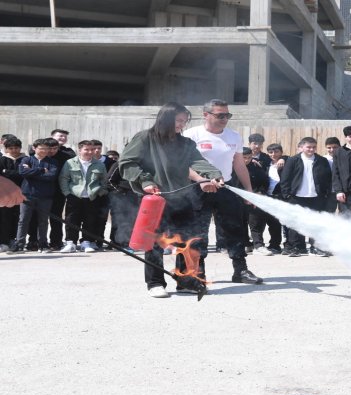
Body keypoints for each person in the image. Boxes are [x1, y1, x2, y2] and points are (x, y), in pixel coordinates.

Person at [119, 102, 225, 298]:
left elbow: (198, 161)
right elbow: (127, 162)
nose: (182, 125)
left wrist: (214, 175)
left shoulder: (186, 143)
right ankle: (155, 283)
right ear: (165, 119)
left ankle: (187, 282)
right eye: (178, 120)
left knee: (189, 241)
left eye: (184, 121)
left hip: (183, 198)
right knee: (155, 243)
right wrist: (145, 181)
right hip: (155, 199)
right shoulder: (144, 138)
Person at [183, 98, 263, 285]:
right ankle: (198, 273)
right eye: (220, 115)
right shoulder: (192, 135)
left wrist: (248, 191)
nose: (225, 119)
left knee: (235, 229)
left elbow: (239, 165)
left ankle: (240, 271)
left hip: (225, 187)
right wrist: (201, 180)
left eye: (227, 115)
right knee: (198, 233)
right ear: (206, 115)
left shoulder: (233, 136)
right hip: (198, 188)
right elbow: (182, 165)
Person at [279, 137, 332, 257]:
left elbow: (328, 178)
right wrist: (287, 195)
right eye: (308, 147)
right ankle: (296, 248)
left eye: (314, 147)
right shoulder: (293, 160)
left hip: (316, 197)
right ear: (302, 147)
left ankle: (316, 247)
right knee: (296, 223)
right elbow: (285, 178)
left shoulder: (322, 160)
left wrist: (325, 194)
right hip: (296, 197)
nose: (311, 149)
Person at [8, 138, 59, 253]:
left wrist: (32, 172)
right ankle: (19, 244)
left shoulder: (53, 162)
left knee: (43, 221)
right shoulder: (27, 159)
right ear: (34, 148)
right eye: (41, 148)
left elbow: (51, 176)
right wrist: (42, 170)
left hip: (45, 195)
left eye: (46, 148)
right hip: (27, 195)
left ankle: (43, 244)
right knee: (23, 220)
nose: (44, 151)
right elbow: (23, 172)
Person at [58, 140, 109, 253]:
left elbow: (104, 181)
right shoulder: (70, 163)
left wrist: (100, 193)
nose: (90, 152)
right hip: (74, 196)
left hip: (92, 197)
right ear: (79, 150)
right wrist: (67, 193)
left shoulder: (99, 164)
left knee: (90, 220)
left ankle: (86, 242)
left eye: (92, 149)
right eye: (86, 149)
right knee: (71, 220)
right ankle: (70, 243)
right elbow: (64, 179)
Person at [245, 133, 276, 256]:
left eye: (260, 144)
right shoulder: (236, 161)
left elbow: (264, 180)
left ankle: (258, 245)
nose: (257, 146)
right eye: (254, 143)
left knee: (257, 221)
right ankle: (246, 244)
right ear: (249, 144)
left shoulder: (265, 159)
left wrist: (260, 192)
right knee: (240, 222)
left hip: (257, 197)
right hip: (239, 198)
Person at [0, 137, 24, 251]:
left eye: (16, 148)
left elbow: (25, 174)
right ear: (6, 149)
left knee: (19, 217)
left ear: (20, 148)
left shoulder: (26, 159)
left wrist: (7, 172)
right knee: (4, 217)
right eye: (11, 148)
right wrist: (17, 173)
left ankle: (13, 239)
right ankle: (3, 241)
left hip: (22, 193)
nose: (14, 150)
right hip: (5, 194)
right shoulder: (2, 160)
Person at [264, 143, 288, 253]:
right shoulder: (266, 164)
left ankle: (289, 245)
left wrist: (283, 158)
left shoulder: (286, 162)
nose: (273, 154)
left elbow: (291, 158)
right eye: (271, 152)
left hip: (282, 196)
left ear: (281, 152)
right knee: (273, 222)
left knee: (286, 222)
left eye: (276, 152)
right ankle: (274, 245)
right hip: (269, 196)